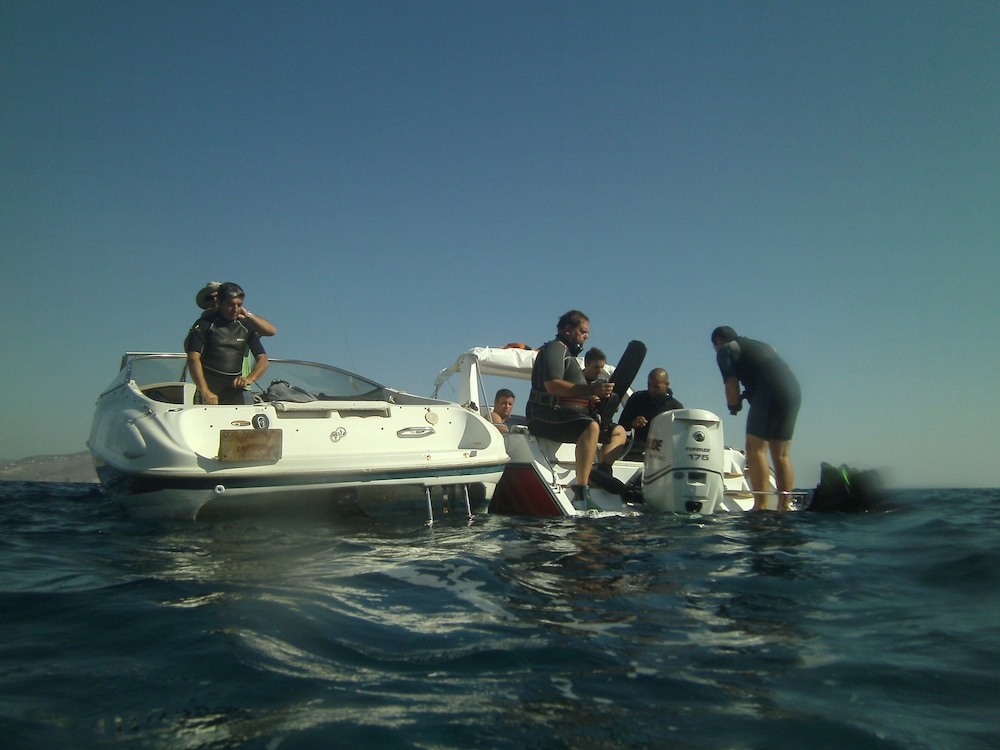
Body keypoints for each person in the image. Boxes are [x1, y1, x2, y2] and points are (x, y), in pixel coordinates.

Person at [526, 310, 628, 504]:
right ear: (567, 329)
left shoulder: (568, 356)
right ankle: (581, 493)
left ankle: (603, 470)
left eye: (587, 332)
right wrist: (592, 390)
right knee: (590, 427)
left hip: (566, 416)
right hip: (543, 415)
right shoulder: (554, 349)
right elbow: (553, 386)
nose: (586, 336)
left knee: (617, 431)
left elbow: (575, 393)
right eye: (582, 331)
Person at [711, 326, 801, 511]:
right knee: (781, 454)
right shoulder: (762, 345)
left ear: (718, 342)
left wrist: (733, 405)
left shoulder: (725, 350)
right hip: (793, 391)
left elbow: (731, 384)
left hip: (770, 392)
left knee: (755, 450)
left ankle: (760, 507)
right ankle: (784, 507)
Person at [186, 282, 269, 405]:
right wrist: (204, 390)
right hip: (209, 391)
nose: (235, 309)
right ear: (220, 303)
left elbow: (263, 358)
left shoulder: (245, 326)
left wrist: (249, 378)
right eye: (230, 304)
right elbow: (193, 357)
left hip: (235, 391)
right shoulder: (205, 324)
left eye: (239, 305)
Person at [618, 368, 684, 458]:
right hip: (637, 451)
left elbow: (679, 437)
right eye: (649, 386)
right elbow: (622, 424)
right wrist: (633, 423)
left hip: (663, 453)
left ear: (667, 384)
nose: (652, 390)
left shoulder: (675, 407)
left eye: (656, 387)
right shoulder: (637, 399)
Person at [194, 281, 278, 336]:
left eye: (217, 296)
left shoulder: (242, 322)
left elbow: (271, 331)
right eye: (210, 298)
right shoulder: (202, 324)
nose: (215, 300)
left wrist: (247, 315)